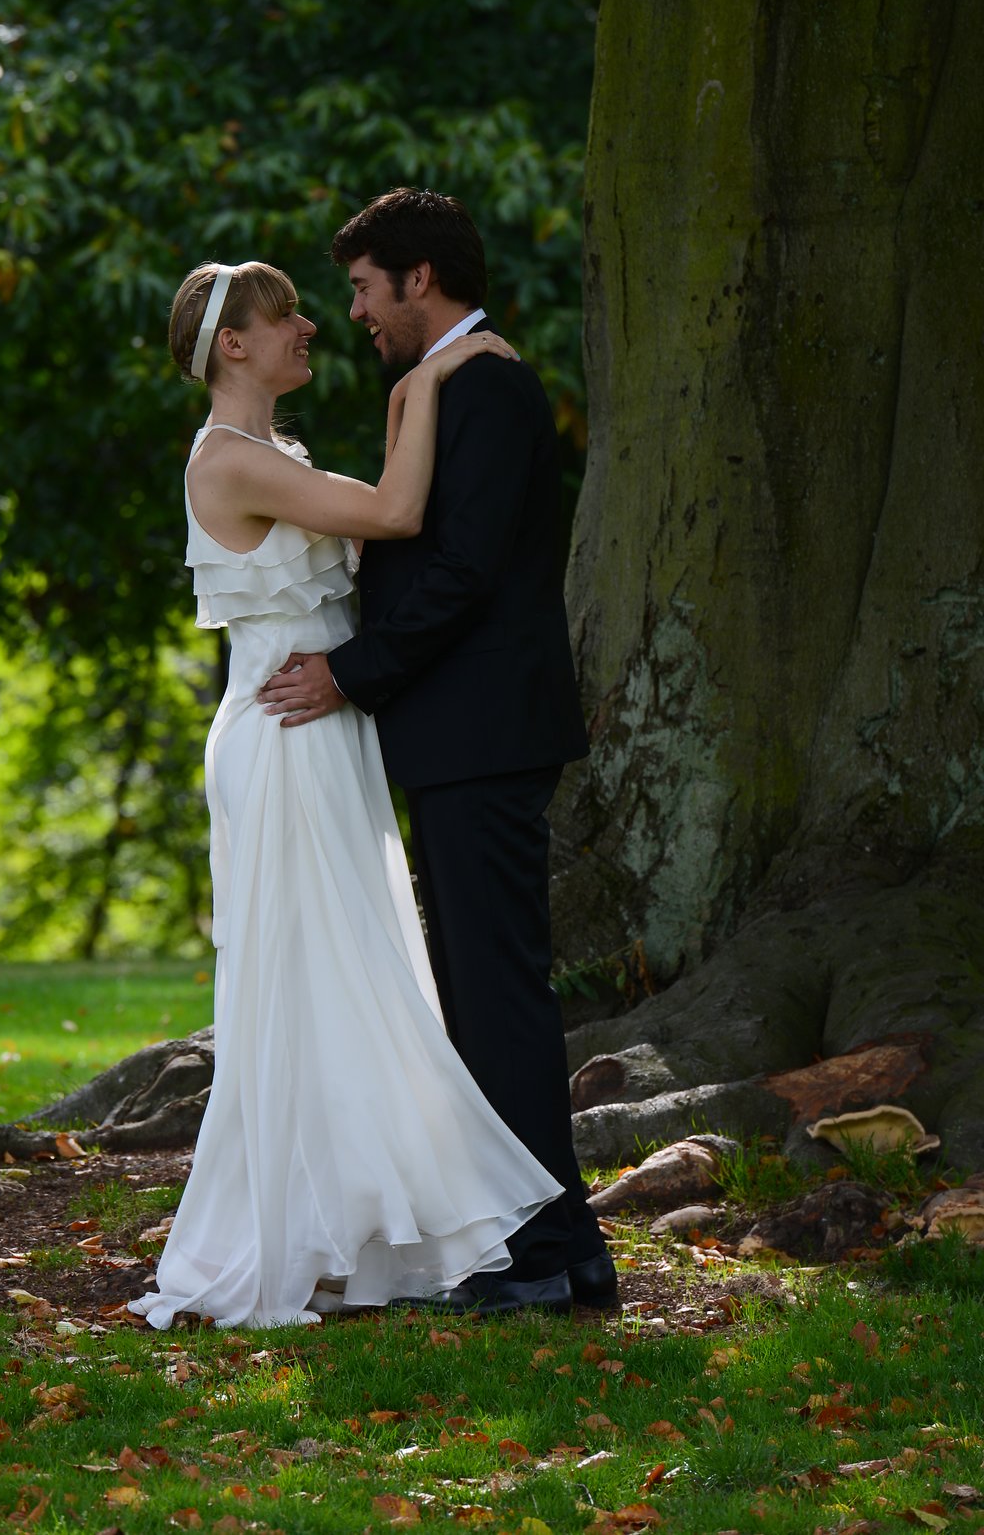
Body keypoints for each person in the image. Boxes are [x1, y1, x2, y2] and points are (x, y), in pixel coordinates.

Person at [129, 258, 563, 1330]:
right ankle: (292, 1235)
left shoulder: (274, 450)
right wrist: (423, 384)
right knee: (306, 984)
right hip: (283, 735)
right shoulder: (231, 460)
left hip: (320, 727)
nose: (311, 328)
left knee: (346, 977)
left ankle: (359, 1231)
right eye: (286, 319)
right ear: (234, 344)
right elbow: (398, 511)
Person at [256, 188, 616, 1316]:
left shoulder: (492, 387)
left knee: (498, 997)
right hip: (455, 736)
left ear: (419, 278)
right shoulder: (442, 385)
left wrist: (348, 674)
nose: (354, 313)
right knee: (473, 993)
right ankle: (546, 1244)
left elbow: (461, 569)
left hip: (485, 733)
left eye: (364, 288)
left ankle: (553, 1250)